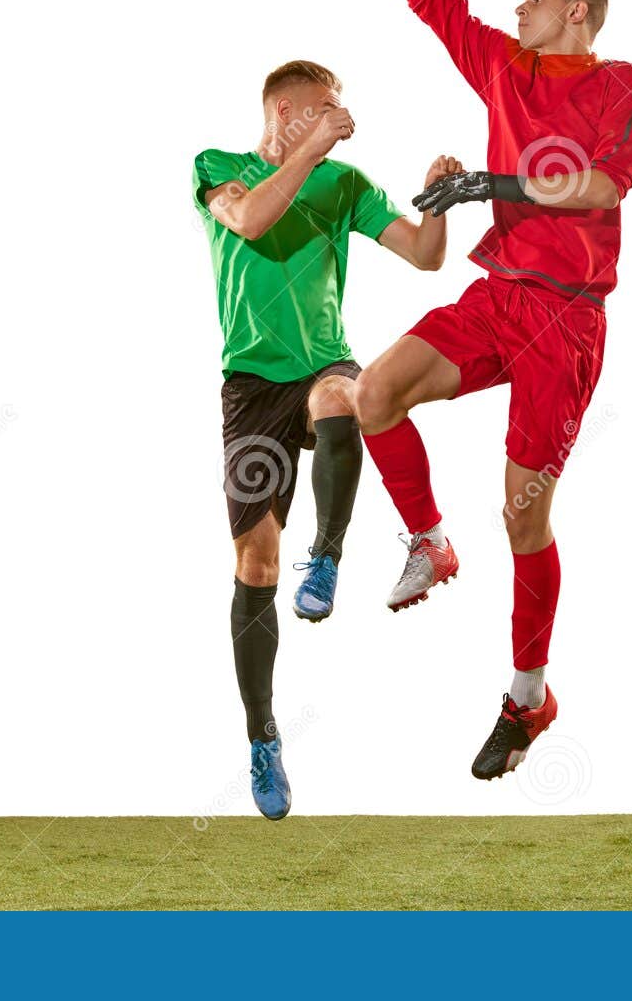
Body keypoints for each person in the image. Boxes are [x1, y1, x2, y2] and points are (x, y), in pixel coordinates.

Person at [298, 0, 632, 780]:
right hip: (499, 298)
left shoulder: (621, 85)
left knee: (524, 517)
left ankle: (527, 700)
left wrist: (492, 183)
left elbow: (603, 185)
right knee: (371, 394)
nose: (521, 6)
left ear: (577, 11)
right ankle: (428, 539)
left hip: (569, 319)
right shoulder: (502, 64)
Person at [194, 57, 461, 818]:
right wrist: (309, 152)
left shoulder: (344, 183)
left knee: (347, 394)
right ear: (283, 115)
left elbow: (424, 253)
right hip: (251, 386)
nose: (340, 119)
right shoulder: (221, 168)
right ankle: (262, 737)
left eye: (340, 108)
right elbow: (249, 221)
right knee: (254, 562)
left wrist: (439, 203)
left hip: (321, 363)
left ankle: (331, 558)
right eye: (324, 109)